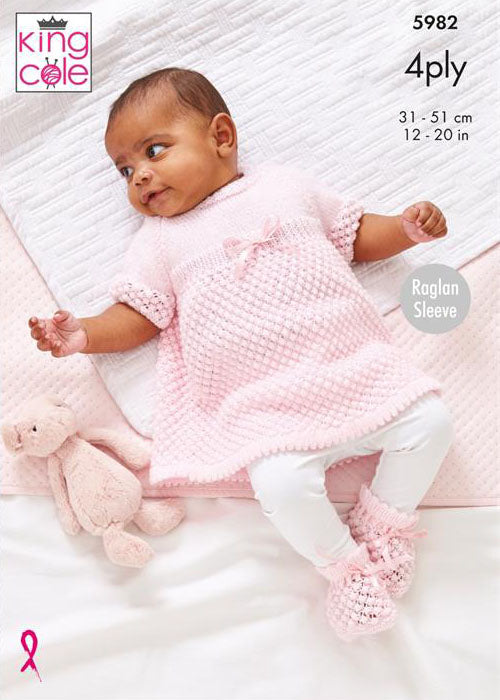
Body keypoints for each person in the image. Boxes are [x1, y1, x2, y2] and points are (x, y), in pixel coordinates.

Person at [28, 67, 454, 641]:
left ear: (221, 137)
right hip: (265, 412)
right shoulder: (160, 242)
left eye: (154, 151)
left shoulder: (284, 186)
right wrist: (83, 333)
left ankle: (383, 526)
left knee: (431, 421)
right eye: (125, 170)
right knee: (279, 486)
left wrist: (405, 228)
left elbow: (354, 236)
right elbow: (138, 315)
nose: (140, 176)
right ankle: (346, 568)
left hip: (356, 374)